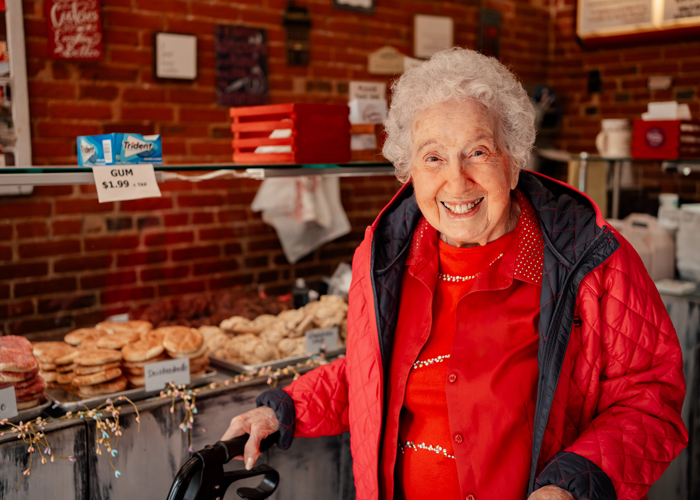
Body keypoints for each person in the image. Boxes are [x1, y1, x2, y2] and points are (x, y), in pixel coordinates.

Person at [222, 48, 688, 500]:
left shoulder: (591, 259)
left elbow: (651, 398)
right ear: (410, 172)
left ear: (513, 160)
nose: (457, 181)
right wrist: (286, 408)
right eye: (433, 158)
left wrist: (571, 484)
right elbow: (372, 377)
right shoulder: (385, 258)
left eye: (478, 152)